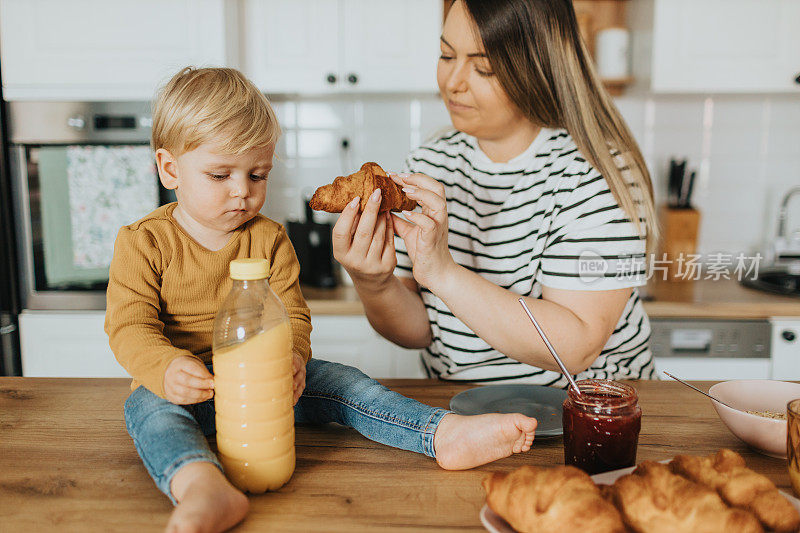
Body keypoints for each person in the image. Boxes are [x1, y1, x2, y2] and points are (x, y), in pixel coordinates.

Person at [105, 67, 537, 533]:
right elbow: (129, 327)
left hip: (266, 387)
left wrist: (293, 356)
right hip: (186, 391)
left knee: (345, 383)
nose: (242, 191)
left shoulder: (270, 238)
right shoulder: (142, 242)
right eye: (219, 174)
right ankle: (201, 485)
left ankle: (441, 433)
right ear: (170, 168)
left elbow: (292, 314)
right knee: (145, 411)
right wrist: (165, 368)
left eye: (257, 174)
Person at [333, 0, 659, 387]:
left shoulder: (595, 171)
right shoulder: (432, 162)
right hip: (467, 414)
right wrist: (374, 283)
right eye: (446, 55)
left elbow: (576, 346)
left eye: (483, 66)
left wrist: (443, 272)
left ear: (538, 69)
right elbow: (419, 330)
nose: (452, 82)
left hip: (589, 415)